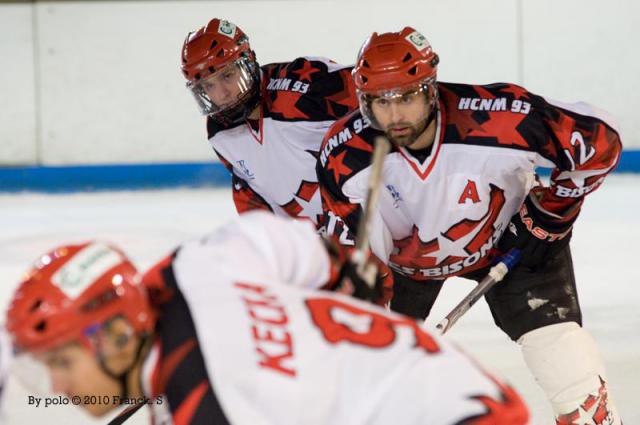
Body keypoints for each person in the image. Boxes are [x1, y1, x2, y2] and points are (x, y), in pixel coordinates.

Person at [316, 27, 623, 424]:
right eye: (379, 102)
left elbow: (601, 141)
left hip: (512, 242)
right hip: (404, 266)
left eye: (406, 98)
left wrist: (550, 216)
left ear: (430, 87)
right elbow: (361, 263)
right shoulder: (345, 157)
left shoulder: (497, 118)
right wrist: (371, 336)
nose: (393, 116)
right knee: (359, 382)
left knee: (574, 379)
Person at [6, 212, 529, 424]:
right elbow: (269, 235)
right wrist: (344, 268)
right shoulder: (193, 269)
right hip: (460, 388)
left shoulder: (215, 402)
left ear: (117, 338)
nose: (56, 384)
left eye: (62, 361)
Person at [180, 19, 358, 226]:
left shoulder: (304, 85)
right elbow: (253, 200)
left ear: (250, 59)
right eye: (208, 86)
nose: (222, 94)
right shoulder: (220, 131)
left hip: (378, 227)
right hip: (320, 245)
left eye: (228, 75)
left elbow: (376, 97)